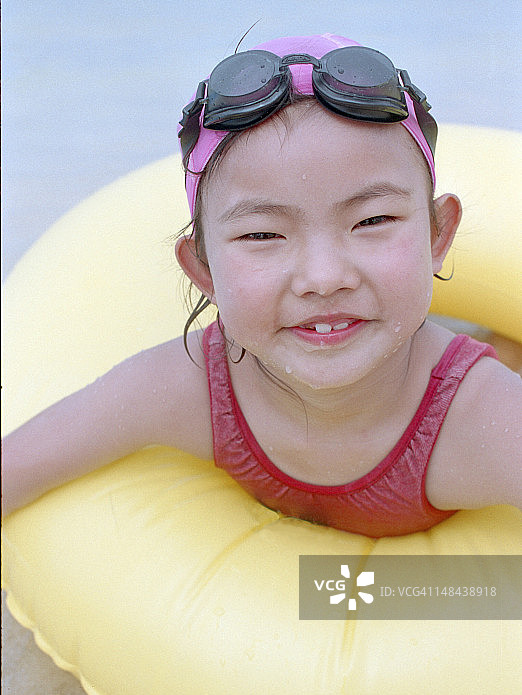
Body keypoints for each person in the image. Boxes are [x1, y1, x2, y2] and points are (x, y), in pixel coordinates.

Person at [3, 33, 521, 535]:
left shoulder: (484, 423)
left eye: (373, 221)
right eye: (262, 233)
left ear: (438, 234)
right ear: (202, 270)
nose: (323, 278)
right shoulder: (182, 391)